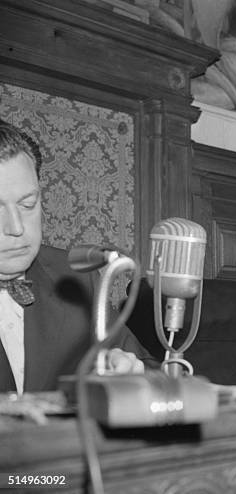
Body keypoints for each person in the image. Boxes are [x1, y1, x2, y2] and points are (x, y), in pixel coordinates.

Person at [0, 122, 156, 394]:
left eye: (28, 204)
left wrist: (131, 373)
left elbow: (151, 368)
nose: (16, 227)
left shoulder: (77, 278)